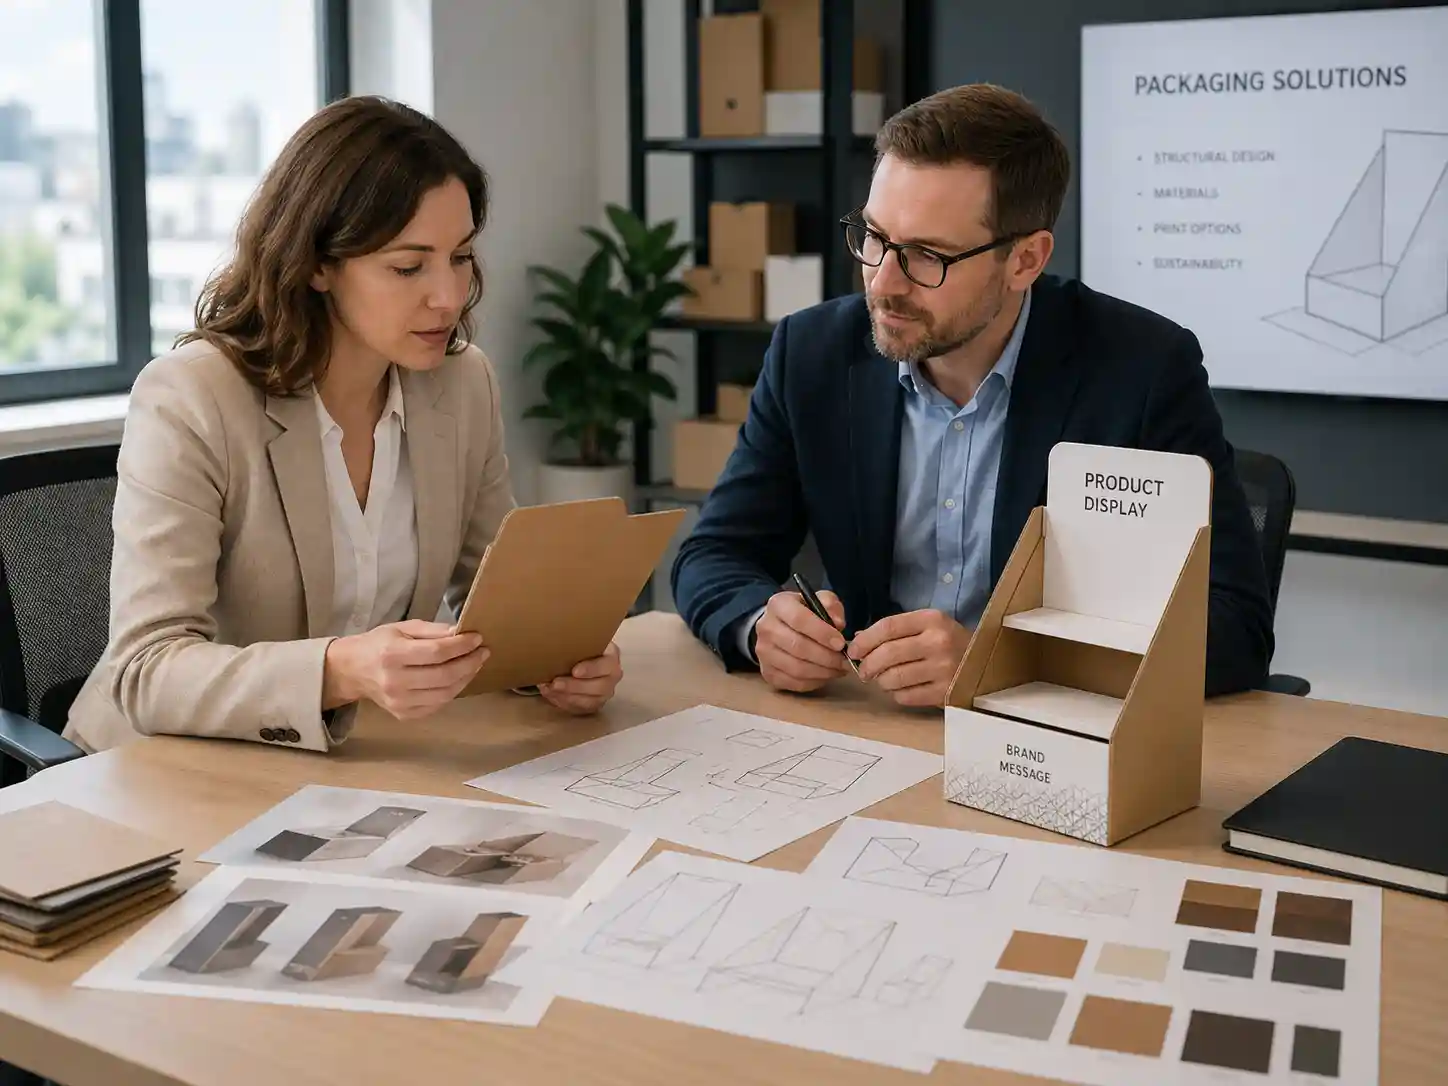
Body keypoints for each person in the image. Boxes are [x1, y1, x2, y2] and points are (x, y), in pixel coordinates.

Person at [670, 83, 1273, 705]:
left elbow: (1233, 627)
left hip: (1045, 739)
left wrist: (1001, 659)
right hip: (868, 728)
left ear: (1025, 261)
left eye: (928, 256)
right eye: (874, 238)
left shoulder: (1142, 369)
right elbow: (714, 553)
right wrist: (759, 626)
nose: (884, 282)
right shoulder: (813, 353)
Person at [64, 96, 623, 755]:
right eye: (408, 267)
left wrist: (554, 660)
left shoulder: (462, 384)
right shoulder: (192, 395)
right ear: (318, 264)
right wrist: (340, 670)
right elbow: (146, 670)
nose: (447, 295)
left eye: (461, 257)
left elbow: (495, 597)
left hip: (342, 769)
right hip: (158, 770)